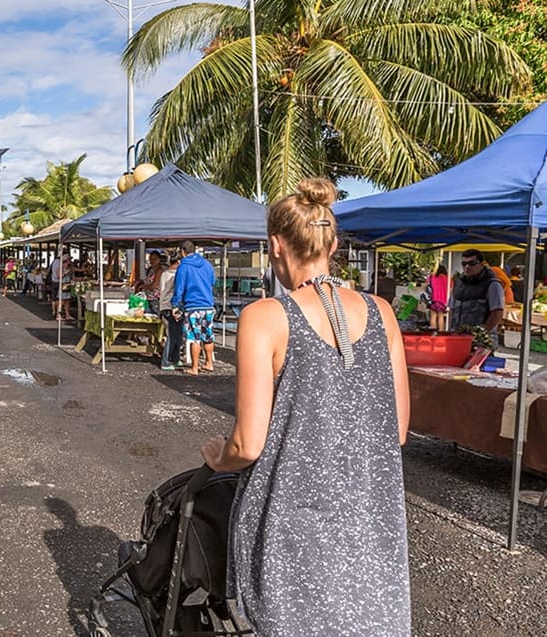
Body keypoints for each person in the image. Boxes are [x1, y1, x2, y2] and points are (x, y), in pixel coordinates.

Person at [200, 178, 411, 636]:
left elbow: (248, 443)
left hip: (293, 523)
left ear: (275, 245)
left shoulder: (264, 318)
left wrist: (219, 456)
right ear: (332, 242)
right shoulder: (382, 312)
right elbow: (395, 430)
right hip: (371, 521)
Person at [171, 241, 216, 375]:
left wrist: (175, 305)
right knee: (208, 335)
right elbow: (213, 282)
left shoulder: (183, 266)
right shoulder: (207, 265)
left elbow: (179, 288)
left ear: (183, 251)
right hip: (208, 305)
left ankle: (194, 367)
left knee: (194, 336)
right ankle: (209, 363)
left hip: (192, 306)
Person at [449, 249, 504, 333]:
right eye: (464, 264)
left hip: (482, 340)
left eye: (472, 263)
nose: (467, 267)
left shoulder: (492, 284)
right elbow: (452, 309)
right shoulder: (458, 283)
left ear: (482, 264)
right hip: (457, 336)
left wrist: (482, 334)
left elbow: (497, 312)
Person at [158, 251, 183, 371]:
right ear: (178, 262)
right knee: (173, 335)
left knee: (177, 334)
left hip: (164, 306)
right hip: (171, 307)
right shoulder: (176, 275)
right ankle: (166, 361)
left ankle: (175, 358)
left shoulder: (164, 274)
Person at [426, 265, 450, 331]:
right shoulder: (448, 278)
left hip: (433, 299)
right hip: (443, 300)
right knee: (441, 316)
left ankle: (433, 332)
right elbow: (451, 288)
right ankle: (441, 331)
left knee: (433, 316)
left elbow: (427, 285)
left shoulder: (431, 277)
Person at [50, 254, 73, 320]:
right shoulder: (61, 267)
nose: (70, 261)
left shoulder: (69, 268)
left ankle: (67, 315)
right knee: (61, 301)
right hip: (63, 285)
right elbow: (58, 276)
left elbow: (72, 276)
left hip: (68, 285)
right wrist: (65, 273)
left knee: (67, 301)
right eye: (69, 260)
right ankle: (58, 315)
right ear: (65, 261)